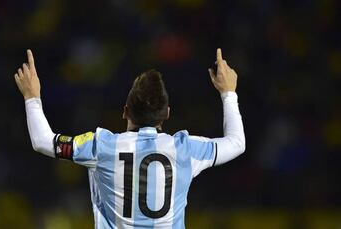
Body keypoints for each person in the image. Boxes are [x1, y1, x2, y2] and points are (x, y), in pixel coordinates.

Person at [14, 48, 245, 228]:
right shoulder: (186, 149)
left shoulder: (101, 147)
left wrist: (32, 96)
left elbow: (43, 141)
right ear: (167, 113)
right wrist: (228, 93)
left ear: (125, 111)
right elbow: (237, 143)